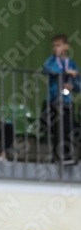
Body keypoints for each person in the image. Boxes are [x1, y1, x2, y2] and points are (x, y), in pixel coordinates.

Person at [42, 34, 80, 164]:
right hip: (52, 100)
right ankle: (58, 157)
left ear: (66, 46)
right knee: (57, 128)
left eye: (58, 45)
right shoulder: (51, 60)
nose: (55, 48)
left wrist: (71, 85)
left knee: (67, 129)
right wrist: (65, 72)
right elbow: (48, 69)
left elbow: (78, 85)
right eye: (54, 46)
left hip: (67, 101)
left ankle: (66, 157)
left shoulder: (72, 63)